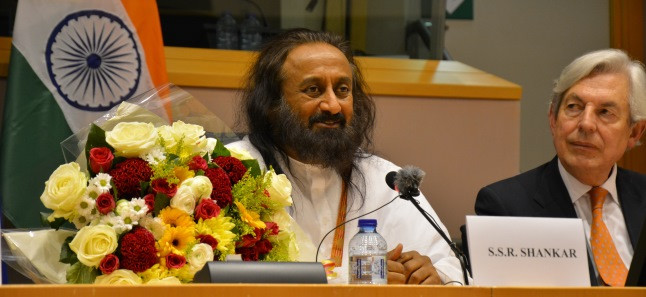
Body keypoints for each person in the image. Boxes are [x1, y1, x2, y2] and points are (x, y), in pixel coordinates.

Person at [227, 28, 464, 285]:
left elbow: (453, 267)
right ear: (272, 105)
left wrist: (435, 276)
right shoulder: (234, 172)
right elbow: (221, 275)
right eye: (313, 90)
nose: (333, 106)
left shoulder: (385, 179)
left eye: (342, 90)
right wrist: (353, 279)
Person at [475, 49, 646, 287]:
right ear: (553, 120)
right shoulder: (504, 206)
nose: (586, 123)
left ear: (635, 132)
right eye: (574, 107)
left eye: (605, 112)